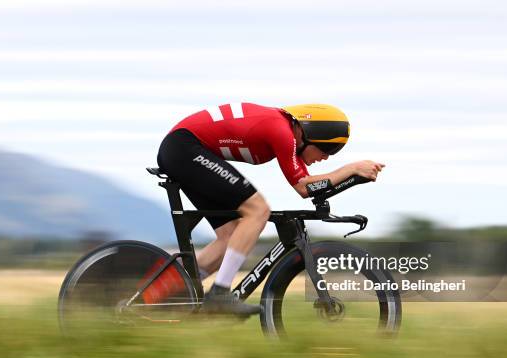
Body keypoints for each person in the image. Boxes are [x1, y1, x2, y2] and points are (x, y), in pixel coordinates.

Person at [156, 103, 385, 317]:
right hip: (184, 148)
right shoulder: (281, 132)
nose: (326, 157)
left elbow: (312, 186)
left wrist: (352, 178)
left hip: (184, 150)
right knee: (258, 210)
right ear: (306, 134)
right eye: (328, 148)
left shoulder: (284, 131)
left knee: (231, 236)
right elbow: (304, 187)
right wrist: (351, 168)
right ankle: (219, 294)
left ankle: (164, 294)